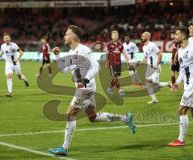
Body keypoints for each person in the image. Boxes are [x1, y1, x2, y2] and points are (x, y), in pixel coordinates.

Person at [49, 25, 136, 156]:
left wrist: (85, 79)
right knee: (93, 117)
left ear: (73, 36)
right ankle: (125, 118)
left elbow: (96, 66)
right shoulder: (72, 53)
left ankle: (64, 147)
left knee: (70, 114)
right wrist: (57, 56)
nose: (64, 36)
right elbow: (64, 70)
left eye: (67, 34)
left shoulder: (83, 50)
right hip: (85, 88)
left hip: (85, 88)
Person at [140, 31, 171, 104]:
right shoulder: (144, 47)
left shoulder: (152, 45)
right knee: (148, 84)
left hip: (155, 67)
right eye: (142, 36)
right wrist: (138, 63)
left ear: (148, 37)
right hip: (149, 68)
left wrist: (157, 65)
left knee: (154, 83)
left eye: (143, 36)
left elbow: (160, 54)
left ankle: (167, 83)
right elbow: (145, 58)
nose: (142, 37)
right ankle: (154, 99)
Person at [0, 33, 29, 97]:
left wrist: (17, 59)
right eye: (5, 38)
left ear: (10, 39)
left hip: (15, 64)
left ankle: (24, 78)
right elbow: (2, 52)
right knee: (9, 76)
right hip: (8, 64)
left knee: (19, 77)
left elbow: (21, 52)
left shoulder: (14, 45)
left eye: (8, 38)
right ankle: (10, 92)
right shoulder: (2, 46)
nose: (7, 39)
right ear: (3, 39)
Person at [106, 30, 132, 96]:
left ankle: (110, 88)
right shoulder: (109, 45)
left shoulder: (120, 44)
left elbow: (124, 53)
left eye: (117, 35)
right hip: (112, 63)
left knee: (116, 77)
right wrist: (107, 62)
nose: (116, 36)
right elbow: (107, 54)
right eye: (114, 35)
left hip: (118, 63)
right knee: (115, 77)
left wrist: (128, 61)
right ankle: (120, 90)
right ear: (112, 36)